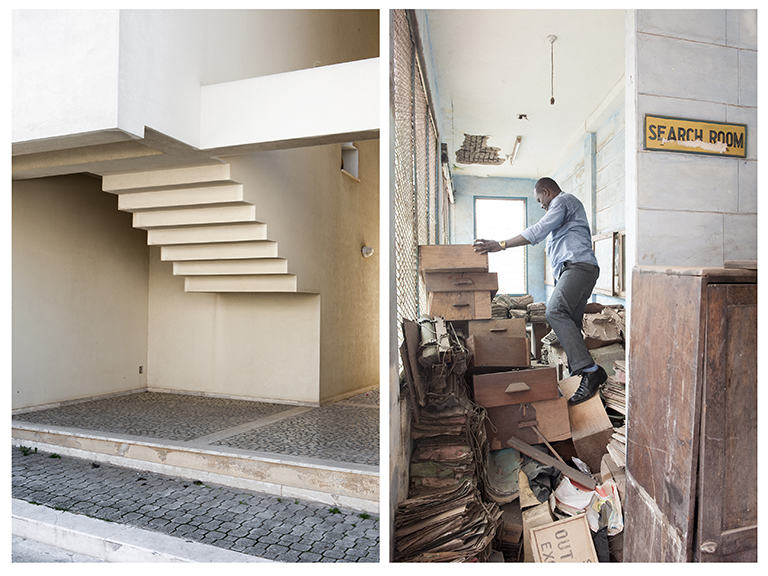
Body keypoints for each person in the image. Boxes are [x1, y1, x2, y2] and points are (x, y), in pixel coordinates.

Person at [473, 177, 606, 405]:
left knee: (554, 312)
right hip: (578, 269)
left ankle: (590, 371)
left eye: (539, 200)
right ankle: (582, 376)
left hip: (578, 268)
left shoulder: (562, 201)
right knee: (571, 324)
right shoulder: (564, 209)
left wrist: (501, 245)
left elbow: (539, 230)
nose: (541, 205)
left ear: (547, 192)